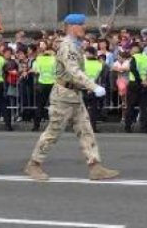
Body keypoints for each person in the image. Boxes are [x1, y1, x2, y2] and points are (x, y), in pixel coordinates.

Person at [24, 14, 119, 181]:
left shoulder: (75, 45)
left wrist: (86, 87)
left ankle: (95, 166)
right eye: (81, 25)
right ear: (71, 27)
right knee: (53, 132)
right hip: (63, 97)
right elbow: (73, 71)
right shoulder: (68, 46)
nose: (84, 28)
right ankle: (34, 164)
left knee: (86, 131)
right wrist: (93, 86)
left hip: (74, 94)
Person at [31, 43, 56, 132]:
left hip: (42, 83)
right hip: (53, 84)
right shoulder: (55, 59)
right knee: (54, 106)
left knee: (40, 106)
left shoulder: (39, 59)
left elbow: (35, 70)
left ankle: (36, 125)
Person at [127, 43, 147, 133]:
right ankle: (144, 128)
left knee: (130, 106)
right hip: (146, 85)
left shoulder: (134, 58)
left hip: (134, 83)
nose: (130, 51)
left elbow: (133, 69)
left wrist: (140, 80)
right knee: (143, 107)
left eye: (131, 49)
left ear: (136, 49)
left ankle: (128, 126)